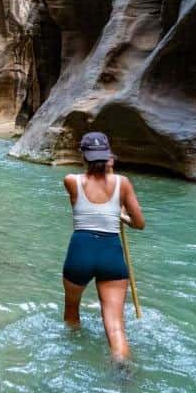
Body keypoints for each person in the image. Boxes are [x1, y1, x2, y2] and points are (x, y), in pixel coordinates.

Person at [62, 132, 145, 362]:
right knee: (116, 326)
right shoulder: (123, 183)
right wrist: (123, 216)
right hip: (111, 254)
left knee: (71, 311)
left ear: (84, 156)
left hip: (81, 252)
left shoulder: (71, 180)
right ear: (109, 156)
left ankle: (71, 356)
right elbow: (140, 224)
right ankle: (122, 369)